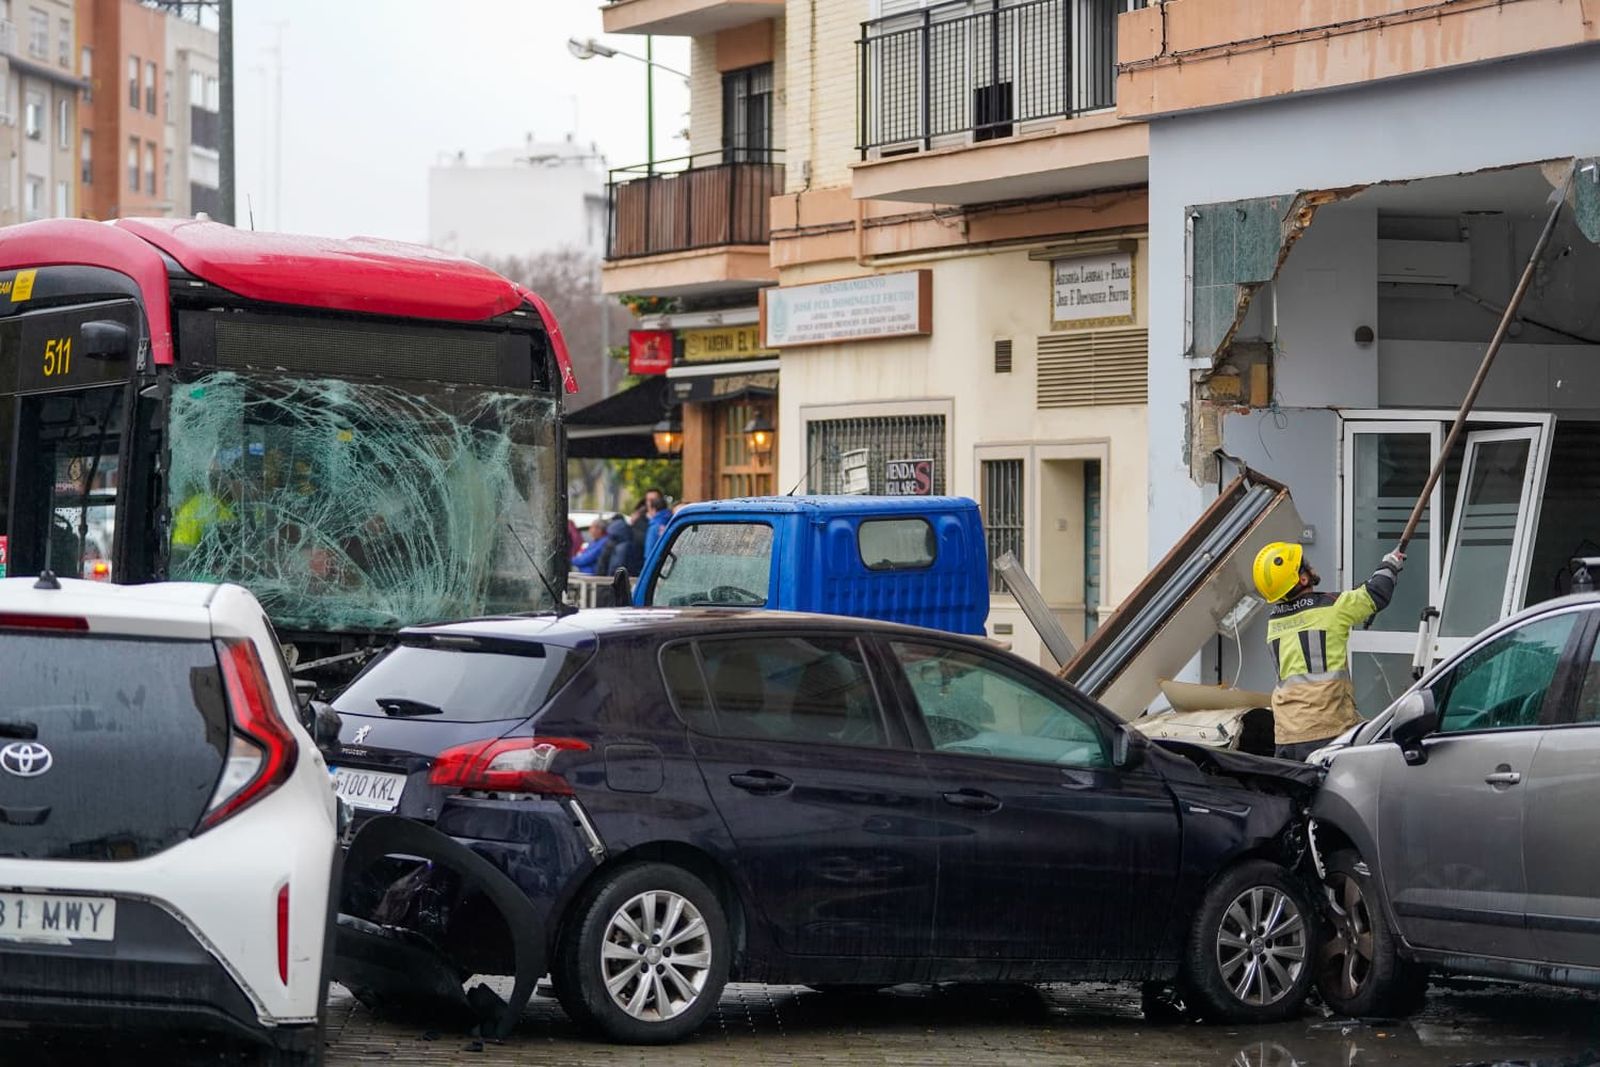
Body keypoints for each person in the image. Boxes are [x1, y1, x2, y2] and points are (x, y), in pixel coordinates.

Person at [1253, 541, 1405, 761]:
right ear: (1302, 578)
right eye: (1304, 564)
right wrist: (1390, 564)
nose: (1310, 565)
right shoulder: (1332, 607)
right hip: (1327, 731)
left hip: (1286, 735)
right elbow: (1376, 593)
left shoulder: (1274, 622)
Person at [644, 487, 673, 555]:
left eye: (653, 500)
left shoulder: (654, 526)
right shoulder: (639, 521)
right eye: (648, 500)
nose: (650, 503)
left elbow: (649, 555)